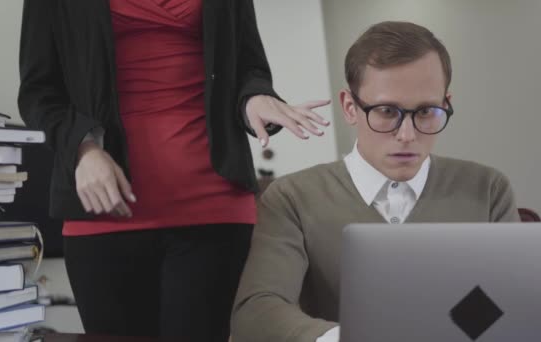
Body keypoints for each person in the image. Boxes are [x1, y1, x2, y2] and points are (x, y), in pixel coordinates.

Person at [18, 1, 330, 341]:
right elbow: (38, 93)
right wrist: (84, 149)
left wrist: (254, 99)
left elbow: (248, 68)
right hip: (102, 211)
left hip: (214, 208)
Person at [231, 21, 520, 342]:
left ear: (446, 104)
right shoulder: (292, 198)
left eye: (426, 112)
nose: (407, 135)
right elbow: (256, 312)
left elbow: (515, 301)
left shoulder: (488, 189)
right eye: (386, 111)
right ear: (349, 107)